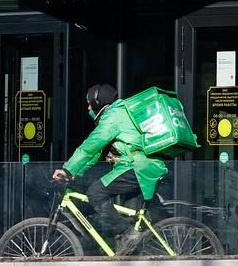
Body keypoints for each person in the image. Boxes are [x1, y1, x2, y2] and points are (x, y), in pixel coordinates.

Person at [52, 84, 168, 255]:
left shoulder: (113, 116)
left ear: (98, 102)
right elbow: (96, 152)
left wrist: (68, 169)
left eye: (90, 103)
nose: (88, 108)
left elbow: (91, 146)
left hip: (138, 167)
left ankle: (127, 233)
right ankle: (131, 244)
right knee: (131, 219)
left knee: (96, 192)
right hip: (142, 166)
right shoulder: (116, 114)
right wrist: (75, 173)